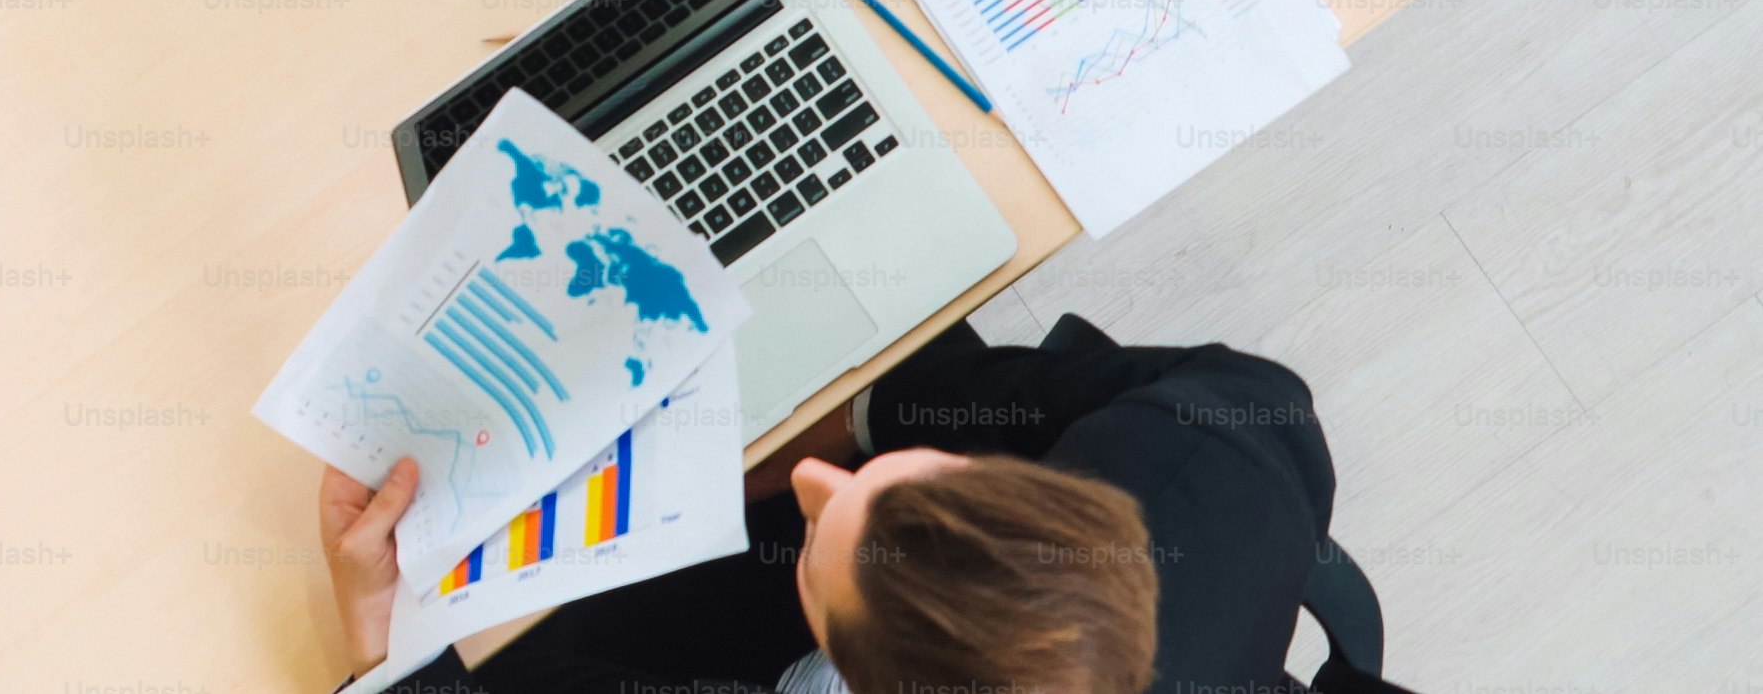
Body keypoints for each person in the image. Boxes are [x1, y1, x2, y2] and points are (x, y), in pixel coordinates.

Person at [320, 317, 1369, 694]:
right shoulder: (1220, 456)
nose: (807, 483)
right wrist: (862, 425)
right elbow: (1242, 387)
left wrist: (385, 639)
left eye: (816, 534)